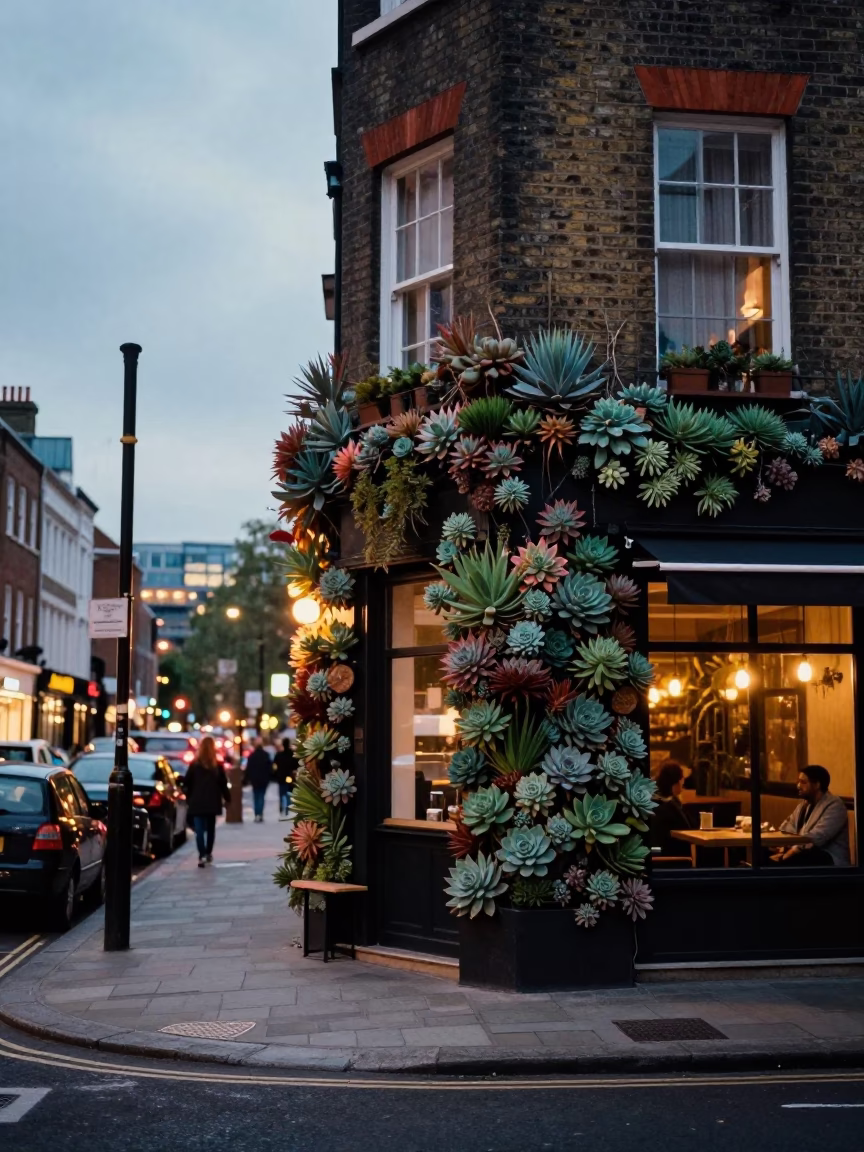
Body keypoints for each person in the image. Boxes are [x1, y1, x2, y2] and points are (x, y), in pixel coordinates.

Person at [774, 765, 851, 867]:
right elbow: (787, 827)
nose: (798, 786)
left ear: (817, 785)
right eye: (798, 781)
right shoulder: (803, 805)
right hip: (804, 851)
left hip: (829, 858)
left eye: (803, 782)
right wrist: (782, 847)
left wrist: (791, 851)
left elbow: (818, 837)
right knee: (761, 854)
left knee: (794, 860)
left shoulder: (835, 805)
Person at [184, 735, 231, 867]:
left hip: (197, 802)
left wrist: (188, 796)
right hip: (212, 801)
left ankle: (201, 854)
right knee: (210, 829)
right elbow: (223, 784)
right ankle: (208, 853)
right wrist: (227, 799)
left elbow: (187, 782)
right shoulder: (217, 766)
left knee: (199, 830)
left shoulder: (194, 765)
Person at [649, 760, 693, 857]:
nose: (683, 784)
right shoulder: (670, 806)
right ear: (676, 783)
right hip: (676, 859)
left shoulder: (652, 800)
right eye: (682, 781)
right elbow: (688, 831)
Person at [245, 737, 273, 823]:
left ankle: (257, 814)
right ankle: (260, 814)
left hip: (255, 780)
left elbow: (248, 768)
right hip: (264, 779)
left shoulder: (251, 756)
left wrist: (248, 778)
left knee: (256, 797)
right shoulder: (266, 755)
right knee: (261, 797)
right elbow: (270, 768)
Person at [272, 739, 296, 816]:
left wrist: (275, 774)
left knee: (281, 793)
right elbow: (295, 765)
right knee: (288, 793)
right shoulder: (291, 754)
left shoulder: (279, 755)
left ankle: (282, 806)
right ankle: (287, 807)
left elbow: (274, 766)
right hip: (289, 776)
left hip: (281, 777)